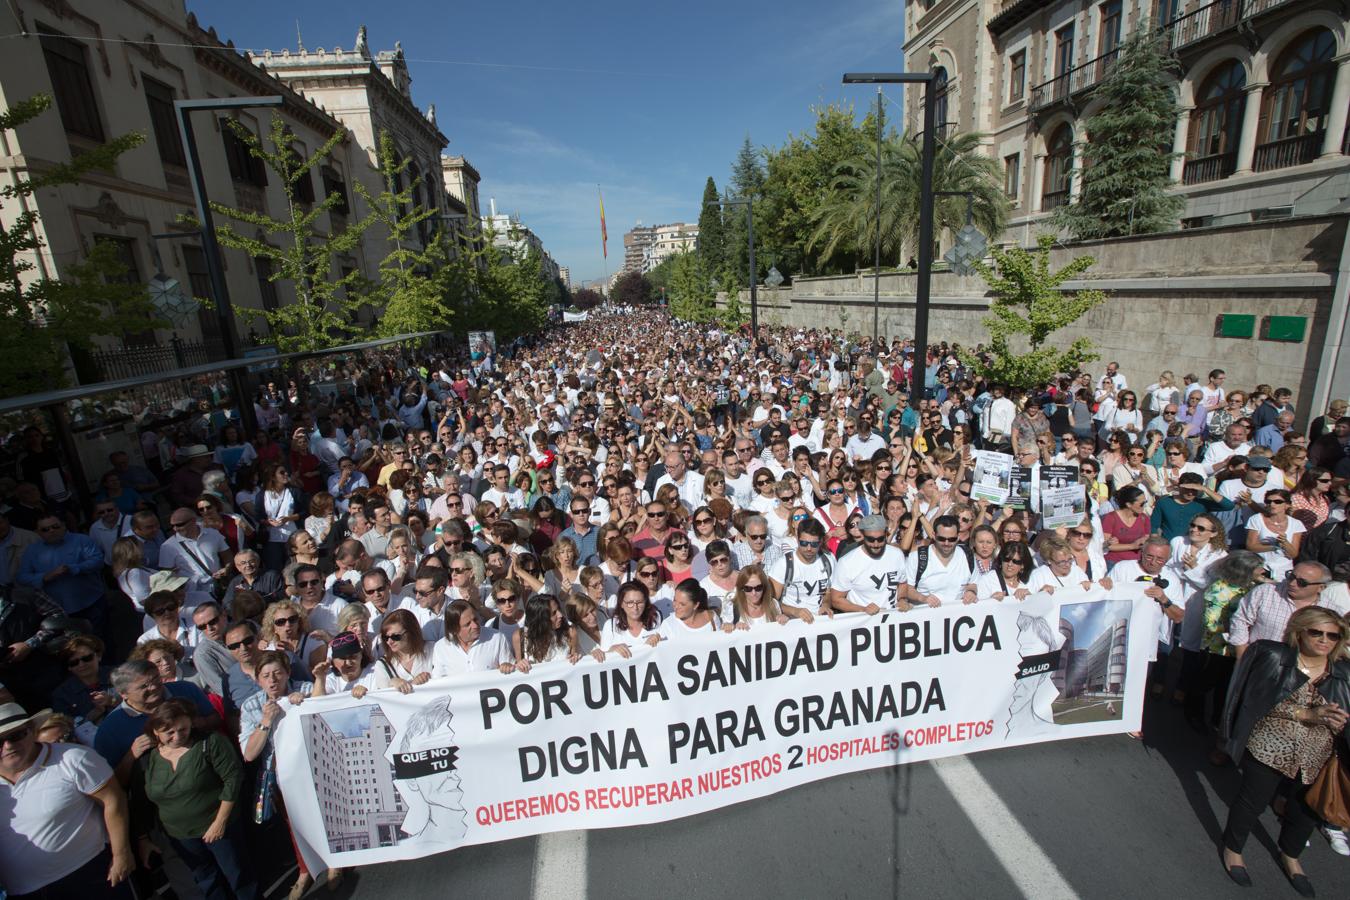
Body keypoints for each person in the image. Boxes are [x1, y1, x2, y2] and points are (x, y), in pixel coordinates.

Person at [1219, 607, 1350, 895]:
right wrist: (1305, 714)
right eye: (1316, 632)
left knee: (1305, 811)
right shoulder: (1273, 656)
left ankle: (1290, 856)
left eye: (1332, 635)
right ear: (1299, 632)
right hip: (1269, 746)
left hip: (1316, 754)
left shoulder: (1343, 673)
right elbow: (1252, 700)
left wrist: (1341, 724)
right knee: (1252, 802)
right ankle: (1233, 849)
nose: (1324, 640)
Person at [0, 702, 135, 898]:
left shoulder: (73, 758)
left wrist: (121, 854)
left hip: (91, 875)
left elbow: (113, 800)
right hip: (24, 891)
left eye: (15, 736)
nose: (8, 746)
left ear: (31, 731)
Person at [131, 698, 257, 900]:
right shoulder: (148, 759)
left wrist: (220, 822)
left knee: (239, 876)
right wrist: (143, 838)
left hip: (219, 828)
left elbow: (233, 779)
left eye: (183, 729)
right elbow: (140, 801)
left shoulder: (210, 742)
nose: (177, 736)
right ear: (156, 731)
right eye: (169, 732)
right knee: (206, 880)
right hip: (180, 835)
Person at [236, 651, 327, 900]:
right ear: (258, 680)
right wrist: (266, 721)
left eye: (277, 673)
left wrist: (306, 702)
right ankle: (305, 870)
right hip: (281, 776)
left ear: (288, 673)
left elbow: (325, 713)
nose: (272, 680)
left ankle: (335, 865)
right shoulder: (251, 706)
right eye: (266, 676)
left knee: (324, 817)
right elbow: (249, 754)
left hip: (315, 767)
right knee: (295, 826)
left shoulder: (306, 688)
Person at [1228, 562, 1348, 656]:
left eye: (1302, 582)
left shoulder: (1331, 611)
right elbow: (1240, 620)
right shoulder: (1265, 592)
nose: (1292, 583)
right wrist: (1242, 654)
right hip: (1257, 660)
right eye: (1291, 576)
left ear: (1321, 587)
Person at [827, 515, 907, 614]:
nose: (876, 544)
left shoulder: (897, 554)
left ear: (886, 534)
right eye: (871, 539)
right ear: (863, 535)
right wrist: (863, 609)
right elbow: (836, 599)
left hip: (893, 619)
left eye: (880, 539)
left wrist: (902, 599)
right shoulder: (847, 562)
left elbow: (902, 583)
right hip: (864, 621)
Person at [902, 515, 974, 608]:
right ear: (934, 535)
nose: (946, 543)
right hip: (926, 612)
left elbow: (973, 582)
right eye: (941, 539)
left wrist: (971, 591)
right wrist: (923, 598)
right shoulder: (916, 557)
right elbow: (906, 588)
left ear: (958, 537)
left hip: (959, 612)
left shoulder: (967, 555)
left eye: (951, 539)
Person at [602, 580, 662, 654]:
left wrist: (659, 642)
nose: (635, 608)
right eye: (630, 603)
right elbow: (603, 657)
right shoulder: (610, 625)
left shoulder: (656, 618)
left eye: (639, 602)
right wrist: (612, 650)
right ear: (621, 603)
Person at [965, 541, 1035, 603]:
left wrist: (1029, 598)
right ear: (1001, 560)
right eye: (1006, 559)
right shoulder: (988, 579)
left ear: (1022, 565)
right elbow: (978, 606)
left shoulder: (1029, 583)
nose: (1010, 564)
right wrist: (990, 601)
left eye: (1016, 561)